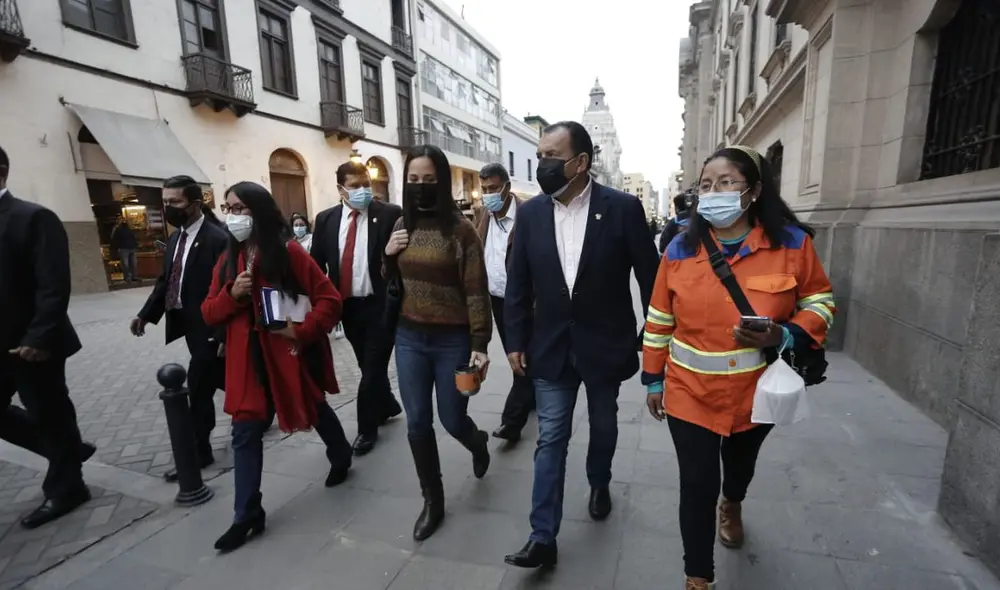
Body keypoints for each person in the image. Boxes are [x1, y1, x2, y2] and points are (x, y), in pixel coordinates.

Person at [642, 146, 835, 590]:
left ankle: (733, 501)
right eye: (706, 185)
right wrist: (653, 378)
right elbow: (658, 320)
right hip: (690, 393)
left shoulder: (791, 243)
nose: (714, 193)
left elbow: (820, 301)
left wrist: (784, 336)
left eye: (726, 183)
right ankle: (698, 578)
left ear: (754, 191)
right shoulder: (678, 248)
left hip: (757, 392)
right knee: (695, 484)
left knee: (739, 468)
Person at [503, 122, 659, 568]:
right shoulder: (531, 214)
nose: (542, 164)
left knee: (604, 425)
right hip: (550, 346)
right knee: (550, 436)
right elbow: (518, 283)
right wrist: (515, 338)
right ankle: (542, 535)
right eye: (540, 154)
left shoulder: (623, 209)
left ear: (581, 162)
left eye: (552, 155)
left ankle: (599, 480)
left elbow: (651, 279)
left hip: (605, 345)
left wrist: (653, 336)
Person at [201, 181, 353, 552]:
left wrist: (301, 330)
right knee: (244, 434)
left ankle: (341, 452)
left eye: (241, 209)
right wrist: (232, 295)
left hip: (286, 356)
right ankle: (247, 513)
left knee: (313, 405)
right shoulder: (226, 260)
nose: (233, 216)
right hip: (246, 364)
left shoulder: (288, 253)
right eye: (229, 208)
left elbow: (329, 299)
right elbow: (208, 312)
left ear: (260, 211)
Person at [385, 145, 493, 541]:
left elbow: (476, 289)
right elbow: (394, 284)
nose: (420, 187)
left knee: (451, 419)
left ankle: (477, 441)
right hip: (409, 336)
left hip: (452, 341)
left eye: (428, 180)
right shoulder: (401, 224)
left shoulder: (460, 231)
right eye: (413, 180)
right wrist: (387, 255)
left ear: (442, 181)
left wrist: (479, 343)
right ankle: (433, 501)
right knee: (417, 423)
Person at [0, 145, 95, 529]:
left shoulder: (33, 218)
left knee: (49, 412)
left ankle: (67, 487)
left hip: (32, 345)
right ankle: (68, 451)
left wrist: (38, 338)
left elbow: (53, 285)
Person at [130, 176, 229, 482]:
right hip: (189, 327)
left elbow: (230, 290)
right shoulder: (176, 238)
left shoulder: (217, 239)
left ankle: (199, 453)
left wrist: (222, 333)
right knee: (222, 378)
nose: (169, 207)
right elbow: (168, 281)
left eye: (175, 202)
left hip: (211, 329)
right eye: (166, 201)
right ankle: (265, 405)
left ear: (196, 204)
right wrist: (146, 315)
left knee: (198, 389)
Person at [311, 161, 403, 456]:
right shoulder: (325, 220)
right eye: (354, 186)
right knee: (366, 364)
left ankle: (366, 429)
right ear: (340, 189)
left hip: (382, 306)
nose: (362, 190)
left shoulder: (389, 214)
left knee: (372, 368)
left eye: (366, 184)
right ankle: (387, 404)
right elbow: (315, 266)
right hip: (348, 308)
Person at [474, 163, 535, 443]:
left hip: (526, 303)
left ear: (507, 187)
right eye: (484, 189)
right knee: (518, 354)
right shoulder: (482, 214)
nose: (488, 195)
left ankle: (512, 421)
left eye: (493, 188)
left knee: (521, 358)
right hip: (497, 301)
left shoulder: (528, 216)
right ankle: (531, 397)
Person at [111, 215, 139, 283]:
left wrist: (115, 248)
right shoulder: (129, 230)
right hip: (130, 248)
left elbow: (115, 239)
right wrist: (135, 246)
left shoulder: (118, 230)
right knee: (132, 263)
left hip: (124, 248)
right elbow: (134, 238)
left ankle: (128, 277)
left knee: (126, 264)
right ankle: (133, 276)